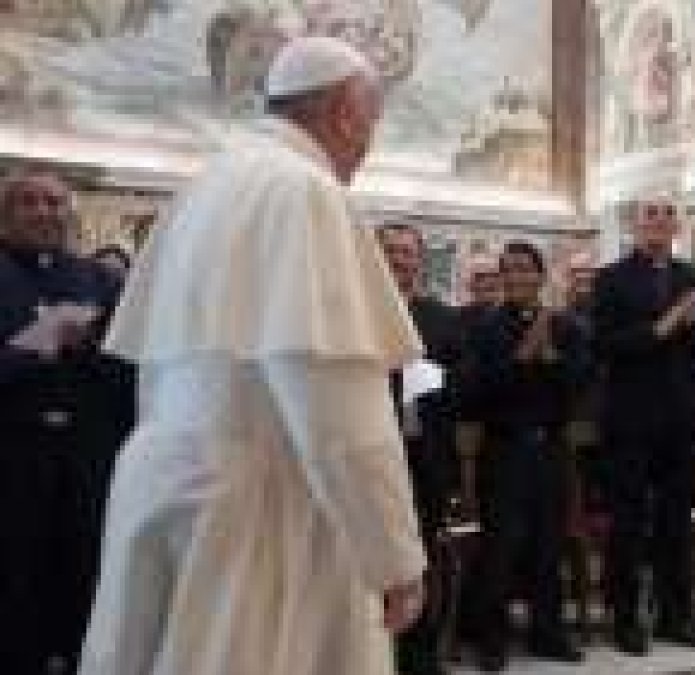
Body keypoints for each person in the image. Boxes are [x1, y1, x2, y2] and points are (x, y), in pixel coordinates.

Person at [79, 37, 427, 675]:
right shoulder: (307, 193)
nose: (367, 145)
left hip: (163, 477)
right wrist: (394, 555)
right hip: (260, 506)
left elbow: (154, 368)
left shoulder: (204, 188)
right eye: (370, 125)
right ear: (343, 114)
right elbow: (336, 405)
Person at [0, 170, 135, 674]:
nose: (43, 211)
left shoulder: (102, 282)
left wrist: (91, 346)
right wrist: (31, 349)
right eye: (28, 202)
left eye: (54, 202)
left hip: (89, 459)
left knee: (84, 577)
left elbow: (131, 372)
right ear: (6, 213)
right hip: (11, 460)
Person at [592, 197, 695, 654]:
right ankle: (625, 619)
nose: (660, 221)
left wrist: (690, 325)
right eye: (651, 214)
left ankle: (674, 616)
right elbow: (602, 345)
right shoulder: (610, 278)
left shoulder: (694, 279)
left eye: (668, 214)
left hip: (682, 416)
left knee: (675, 523)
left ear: (677, 225)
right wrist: (659, 329)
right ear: (636, 224)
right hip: (630, 417)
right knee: (628, 523)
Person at [467, 241, 587, 671]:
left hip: (551, 448)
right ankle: (492, 639)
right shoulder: (486, 327)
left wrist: (551, 358)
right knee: (501, 547)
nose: (516, 276)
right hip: (504, 448)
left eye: (524, 269)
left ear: (540, 276)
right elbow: (474, 395)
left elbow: (578, 389)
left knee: (548, 543)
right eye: (509, 270)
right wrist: (521, 357)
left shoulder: (566, 326)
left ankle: (548, 633)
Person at [378, 223, 465, 675]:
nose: (399, 260)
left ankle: (420, 657)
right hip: (374, 456)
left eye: (407, 253)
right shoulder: (357, 312)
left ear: (419, 260)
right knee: (374, 557)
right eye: (390, 251)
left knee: (424, 557)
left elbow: (466, 385)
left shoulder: (443, 318)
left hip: (427, 454)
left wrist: (437, 379)